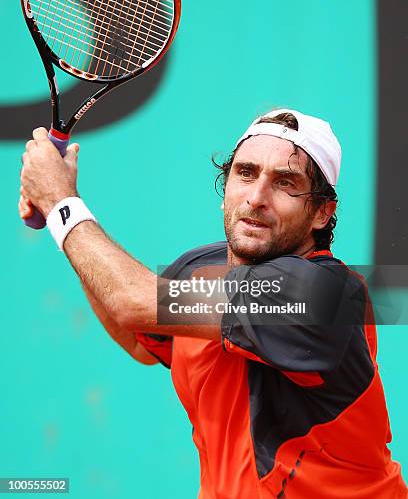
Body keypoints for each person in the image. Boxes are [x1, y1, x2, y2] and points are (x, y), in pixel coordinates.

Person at [19, 108, 407, 498]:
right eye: (246, 173)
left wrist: (61, 205)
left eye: (285, 183)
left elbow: (127, 299)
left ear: (322, 213)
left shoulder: (324, 297)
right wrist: (61, 218)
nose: (256, 198)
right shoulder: (198, 268)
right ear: (226, 188)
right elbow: (138, 338)